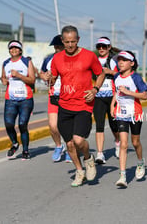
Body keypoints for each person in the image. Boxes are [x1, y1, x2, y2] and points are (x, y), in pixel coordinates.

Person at [50, 25, 105, 187]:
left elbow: (100, 73)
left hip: (83, 104)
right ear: (62, 41)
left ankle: (88, 159)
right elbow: (53, 78)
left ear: (78, 40)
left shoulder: (89, 56)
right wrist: (49, 78)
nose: (70, 45)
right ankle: (79, 171)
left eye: (73, 41)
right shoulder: (57, 58)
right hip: (64, 105)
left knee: (79, 140)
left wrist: (95, 89)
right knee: (69, 144)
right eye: (67, 42)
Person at [110, 51, 147, 187]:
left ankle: (140, 162)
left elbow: (144, 96)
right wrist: (112, 105)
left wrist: (129, 93)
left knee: (135, 142)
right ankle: (122, 176)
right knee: (124, 144)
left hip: (135, 113)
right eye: (119, 60)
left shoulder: (136, 78)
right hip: (121, 113)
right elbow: (116, 92)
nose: (120, 62)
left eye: (124, 60)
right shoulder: (116, 77)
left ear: (131, 63)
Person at [1, 40, 35, 160]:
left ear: (20, 50)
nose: (13, 50)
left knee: (22, 125)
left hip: (25, 99)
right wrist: (4, 81)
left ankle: (25, 150)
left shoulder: (26, 62)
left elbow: (32, 80)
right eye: (11, 48)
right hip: (10, 99)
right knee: (9, 124)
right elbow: (3, 78)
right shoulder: (6, 63)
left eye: (16, 48)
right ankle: (15, 143)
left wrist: (19, 76)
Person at [40, 34, 71, 162]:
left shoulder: (71, 58)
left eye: (59, 46)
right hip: (54, 95)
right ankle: (59, 146)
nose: (57, 48)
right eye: (55, 46)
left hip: (69, 96)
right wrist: (44, 77)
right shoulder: (48, 59)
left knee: (68, 126)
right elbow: (42, 73)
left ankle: (71, 149)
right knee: (53, 126)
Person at [93, 37, 120, 164]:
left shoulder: (114, 60)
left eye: (104, 46)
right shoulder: (94, 60)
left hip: (112, 96)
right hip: (98, 97)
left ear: (109, 47)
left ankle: (118, 142)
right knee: (99, 124)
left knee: (113, 124)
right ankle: (100, 153)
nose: (101, 49)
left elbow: (123, 75)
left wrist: (110, 72)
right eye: (99, 46)